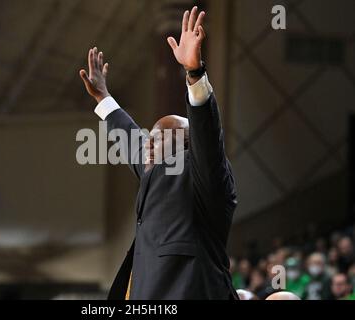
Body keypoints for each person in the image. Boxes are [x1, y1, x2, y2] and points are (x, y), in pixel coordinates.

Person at [79, 6, 238, 299]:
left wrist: (195, 74)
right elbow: (129, 140)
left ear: (188, 147)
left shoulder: (204, 172)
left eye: (159, 137)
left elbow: (207, 136)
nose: (148, 143)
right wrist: (104, 99)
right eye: (149, 138)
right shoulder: (157, 170)